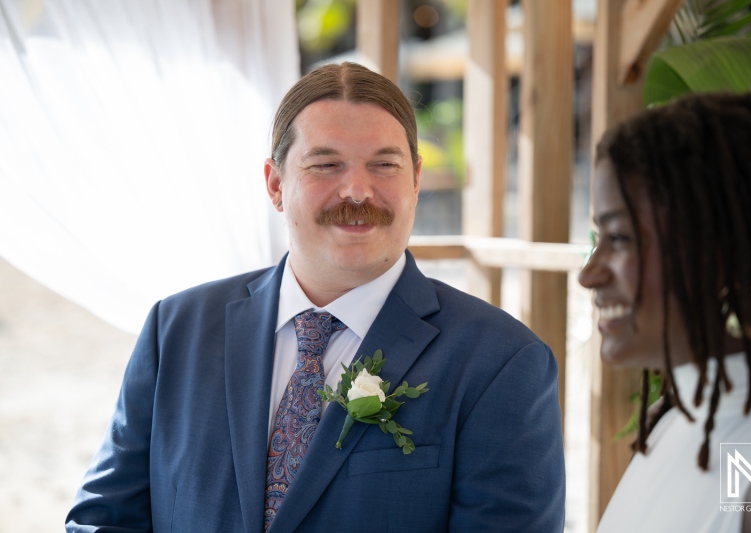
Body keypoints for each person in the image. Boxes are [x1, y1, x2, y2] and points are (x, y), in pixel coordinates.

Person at [66, 62, 566, 532]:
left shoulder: (501, 363)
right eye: (326, 164)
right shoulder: (175, 328)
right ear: (276, 183)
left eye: (384, 165)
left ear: (415, 180)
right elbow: (104, 518)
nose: (357, 191)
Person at [579, 92, 751, 533]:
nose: (590, 274)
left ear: (725, 253)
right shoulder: (689, 414)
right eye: (597, 236)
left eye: (619, 238)